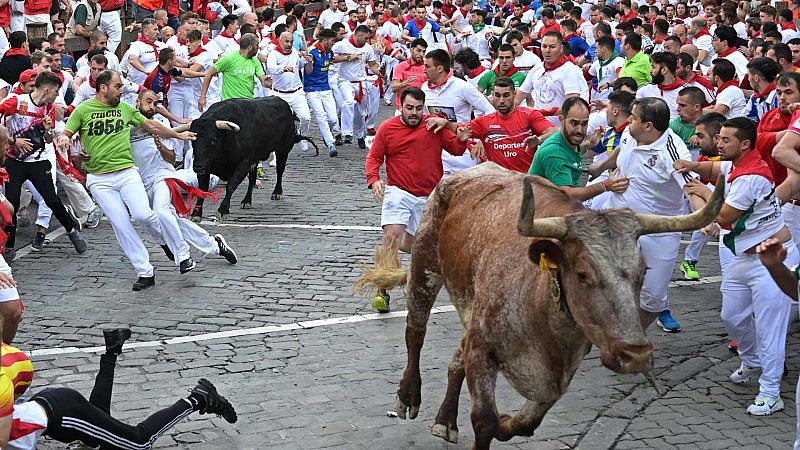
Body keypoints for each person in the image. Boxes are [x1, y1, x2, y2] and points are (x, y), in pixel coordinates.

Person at [675, 117, 795, 416]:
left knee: (770, 330)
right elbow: (716, 168)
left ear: (744, 144)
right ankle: (753, 360)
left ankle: (771, 392)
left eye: (725, 140)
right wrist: (693, 167)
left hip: (773, 259)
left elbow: (724, 216)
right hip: (745, 257)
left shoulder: (751, 177)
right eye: (718, 138)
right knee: (732, 316)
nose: (718, 144)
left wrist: (701, 192)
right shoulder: (739, 165)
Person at [58, 70, 196, 290]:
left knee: (144, 215)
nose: (122, 90)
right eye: (118, 86)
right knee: (122, 225)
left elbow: (152, 126)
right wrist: (65, 140)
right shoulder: (84, 110)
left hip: (127, 172)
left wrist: (178, 135)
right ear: (103, 88)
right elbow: (67, 132)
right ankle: (145, 272)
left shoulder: (126, 109)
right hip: (99, 179)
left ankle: (163, 242)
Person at [0, 328, 238, 448]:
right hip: (54, 406)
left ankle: (198, 398)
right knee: (95, 432)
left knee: (138, 442)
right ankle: (112, 351)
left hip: (63, 415)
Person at [590, 97, 695, 331]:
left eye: (634, 117)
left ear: (649, 126)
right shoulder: (630, 132)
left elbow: (691, 187)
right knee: (609, 276)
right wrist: (603, 167)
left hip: (659, 230)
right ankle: (616, 331)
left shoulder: (674, 151)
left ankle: (634, 333)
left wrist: (704, 215)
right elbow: (622, 147)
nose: (628, 120)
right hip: (620, 221)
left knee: (654, 298)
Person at [364, 87, 470, 312]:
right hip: (398, 191)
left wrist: (461, 139)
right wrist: (374, 179)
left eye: (418, 109)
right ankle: (382, 292)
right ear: (400, 106)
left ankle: (413, 275)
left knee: (418, 246)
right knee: (391, 235)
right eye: (409, 108)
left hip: (428, 196)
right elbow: (374, 156)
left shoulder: (433, 125)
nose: (414, 113)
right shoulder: (387, 128)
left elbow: (455, 149)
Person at [131, 90, 239, 270]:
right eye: (148, 102)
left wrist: (161, 147)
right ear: (137, 103)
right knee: (171, 220)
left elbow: (172, 159)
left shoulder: (162, 123)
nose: (151, 106)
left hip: (163, 177)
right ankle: (214, 245)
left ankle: (183, 255)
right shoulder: (127, 125)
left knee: (162, 212)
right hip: (139, 182)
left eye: (155, 103)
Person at [0, 71, 86, 262]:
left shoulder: (49, 109)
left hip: (38, 160)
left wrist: (47, 130)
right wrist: (14, 141)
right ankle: (10, 246)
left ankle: (72, 231)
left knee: (52, 199)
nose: (57, 96)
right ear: (47, 90)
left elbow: (48, 139)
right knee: (12, 203)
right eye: (56, 92)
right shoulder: (16, 101)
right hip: (15, 161)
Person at [529, 96, 629, 200]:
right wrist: (604, 186)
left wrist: (589, 144)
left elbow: (571, 151)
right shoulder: (554, 152)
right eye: (574, 123)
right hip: (542, 212)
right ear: (562, 120)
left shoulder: (566, 141)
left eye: (584, 123)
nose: (580, 130)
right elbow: (567, 195)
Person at [450, 76, 555, 172]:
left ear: (514, 95)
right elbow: (459, 129)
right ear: (493, 96)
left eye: (506, 96)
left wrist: (539, 140)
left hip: (526, 181)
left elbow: (554, 132)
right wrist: (446, 123)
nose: (501, 100)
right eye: (497, 96)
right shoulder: (483, 122)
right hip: (499, 184)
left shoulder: (529, 115)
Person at [515, 31, 586, 126]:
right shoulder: (537, 68)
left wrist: (542, 112)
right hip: (537, 126)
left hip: (559, 130)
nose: (547, 51)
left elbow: (572, 104)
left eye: (552, 47)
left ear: (561, 49)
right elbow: (518, 98)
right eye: (544, 46)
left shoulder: (569, 70)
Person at [332, 25, 381, 148]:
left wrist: (380, 73)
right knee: (348, 102)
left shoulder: (368, 48)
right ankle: (347, 133)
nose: (367, 40)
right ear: (358, 36)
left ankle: (359, 135)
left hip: (360, 82)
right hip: (344, 80)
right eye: (365, 38)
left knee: (360, 113)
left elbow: (372, 64)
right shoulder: (342, 45)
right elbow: (331, 58)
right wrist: (348, 57)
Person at [267, 31, 313, 153]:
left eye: (291, 41)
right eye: (286, 41)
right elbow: (271, 68)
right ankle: (276, 155)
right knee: (277, 125)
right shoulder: (273, 54)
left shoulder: (294, 52)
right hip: (279, 94)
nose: (289, 44)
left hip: (297, 92)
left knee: (306, 117)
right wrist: (283, 68)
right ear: (280, 41)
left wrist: (308, 60)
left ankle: (302, 137)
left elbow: (305, 68)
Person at [199, 33, 270, 111]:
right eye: (257, 45)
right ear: (250, 47)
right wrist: (203, 97)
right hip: (229, 104)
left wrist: (267, 82)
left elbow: (263, 79)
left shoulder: (255, 61)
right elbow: (209, 74)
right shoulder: (229, 59)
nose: (258, 47)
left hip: (248, 104)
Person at [305, 28, 342, 157]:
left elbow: (332, 60)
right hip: (311, 90)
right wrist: (309, 62)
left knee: (332, 119)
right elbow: (308, 72)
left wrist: (348, 57)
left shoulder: (329, 51)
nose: (333, 43)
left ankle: (327, 136)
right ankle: (330, 143)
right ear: (325, 40)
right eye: (332, 41)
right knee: (321, 115)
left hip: (325, 89)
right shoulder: (312, 51)